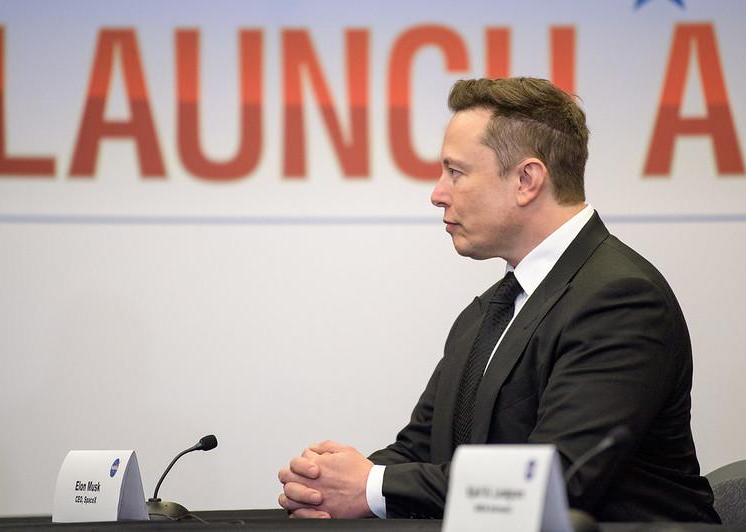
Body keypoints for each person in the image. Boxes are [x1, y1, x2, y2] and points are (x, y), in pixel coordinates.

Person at [277, 77, 719, 522]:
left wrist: (372, 487)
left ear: (526, 180)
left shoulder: (620, 300)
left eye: (456, 172)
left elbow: (557, 480)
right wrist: (326, 486)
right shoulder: (490, 309)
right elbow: (421, 449)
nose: (437, 194)